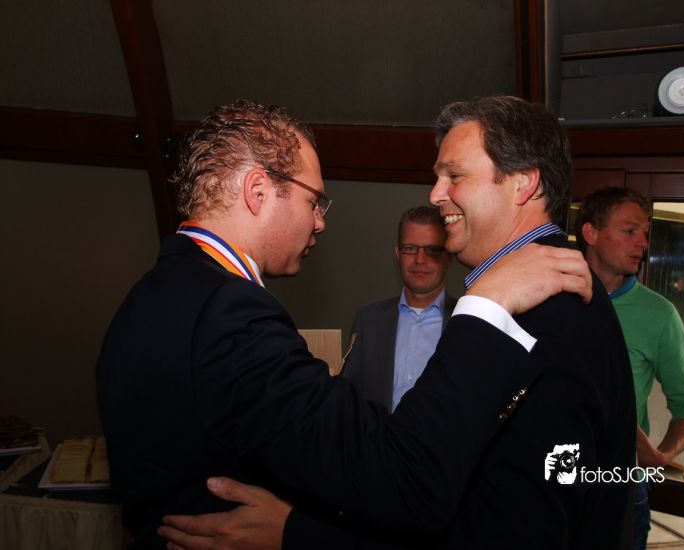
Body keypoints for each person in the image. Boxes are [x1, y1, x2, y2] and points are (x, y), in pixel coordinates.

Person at [96, 98, 594, 549]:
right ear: (258, 191)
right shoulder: (229, 314)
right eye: (314, 201)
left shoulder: (154, 293)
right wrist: (486, 304)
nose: (320, 221)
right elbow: (404, 480)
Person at [576, 186, 684, 549]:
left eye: (645, 233)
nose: (643, 243)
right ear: (591, 233)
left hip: (620, 486)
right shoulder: (550, 294)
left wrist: (661, 455)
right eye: (630, 231)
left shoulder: (659, 314)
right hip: (548, 476)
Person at [342, 205, 456, 411]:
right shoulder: (368, 320)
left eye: (432, 250)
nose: (420, 259)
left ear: (449, 257)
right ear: (398, 253)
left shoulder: (466, 321)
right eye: (410, 249)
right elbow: (349, 398)